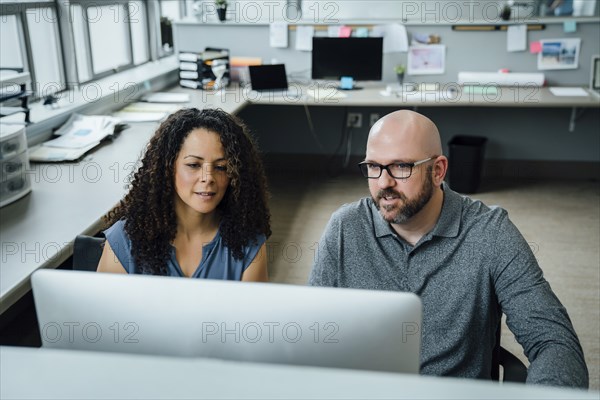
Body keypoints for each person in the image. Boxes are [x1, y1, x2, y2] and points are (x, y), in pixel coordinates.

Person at [308, 110, 588, 387]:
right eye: (373, 167)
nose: (383, 183)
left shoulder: (490, 233)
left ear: (438, 170)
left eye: (401, 167)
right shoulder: (345, 228)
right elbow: (313, 332)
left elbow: (554, 342)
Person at [97, 108, 271, 281]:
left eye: (221, 167)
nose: (208, 178)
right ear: (167, 168)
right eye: (194, 165)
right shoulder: (126, 238)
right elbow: (103, 309)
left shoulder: (249, 243)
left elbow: (251, 309)